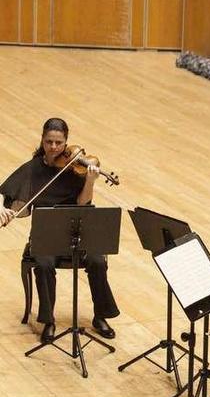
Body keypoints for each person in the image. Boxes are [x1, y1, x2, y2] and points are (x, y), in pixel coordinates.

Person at [0, 118, 120, 344]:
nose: (54, 147)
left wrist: (91, 181)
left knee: (97, 260)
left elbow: (83, 204)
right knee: (44, 264)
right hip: (46, 233)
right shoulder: (34, 168)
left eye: (59, 142)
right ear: (42, 140)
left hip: (77, 230)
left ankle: (100, 316)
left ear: (66, 141)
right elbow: (4, 190)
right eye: (49, 142)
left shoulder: (76, 167)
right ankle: (48, 320)